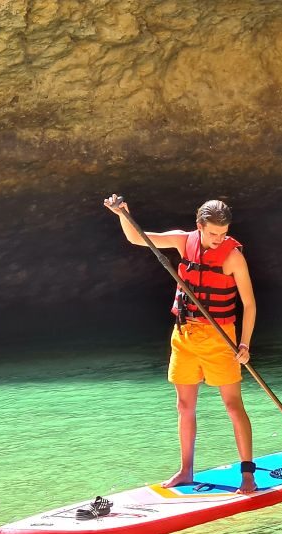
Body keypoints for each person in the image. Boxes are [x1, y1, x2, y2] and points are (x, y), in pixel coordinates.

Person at [104, 195, 259, 493]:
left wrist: (245, 344)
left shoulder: (233, 256)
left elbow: (249, 305)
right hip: (184, 336)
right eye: (213, 233)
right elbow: (138, 238)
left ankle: (248, 474)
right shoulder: (181, 241)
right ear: (199, 226)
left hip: (220, 339)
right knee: (184, 405)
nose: (218, 239)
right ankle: (186, 470)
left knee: (232, 405)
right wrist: (123, 214)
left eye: (223, 233)